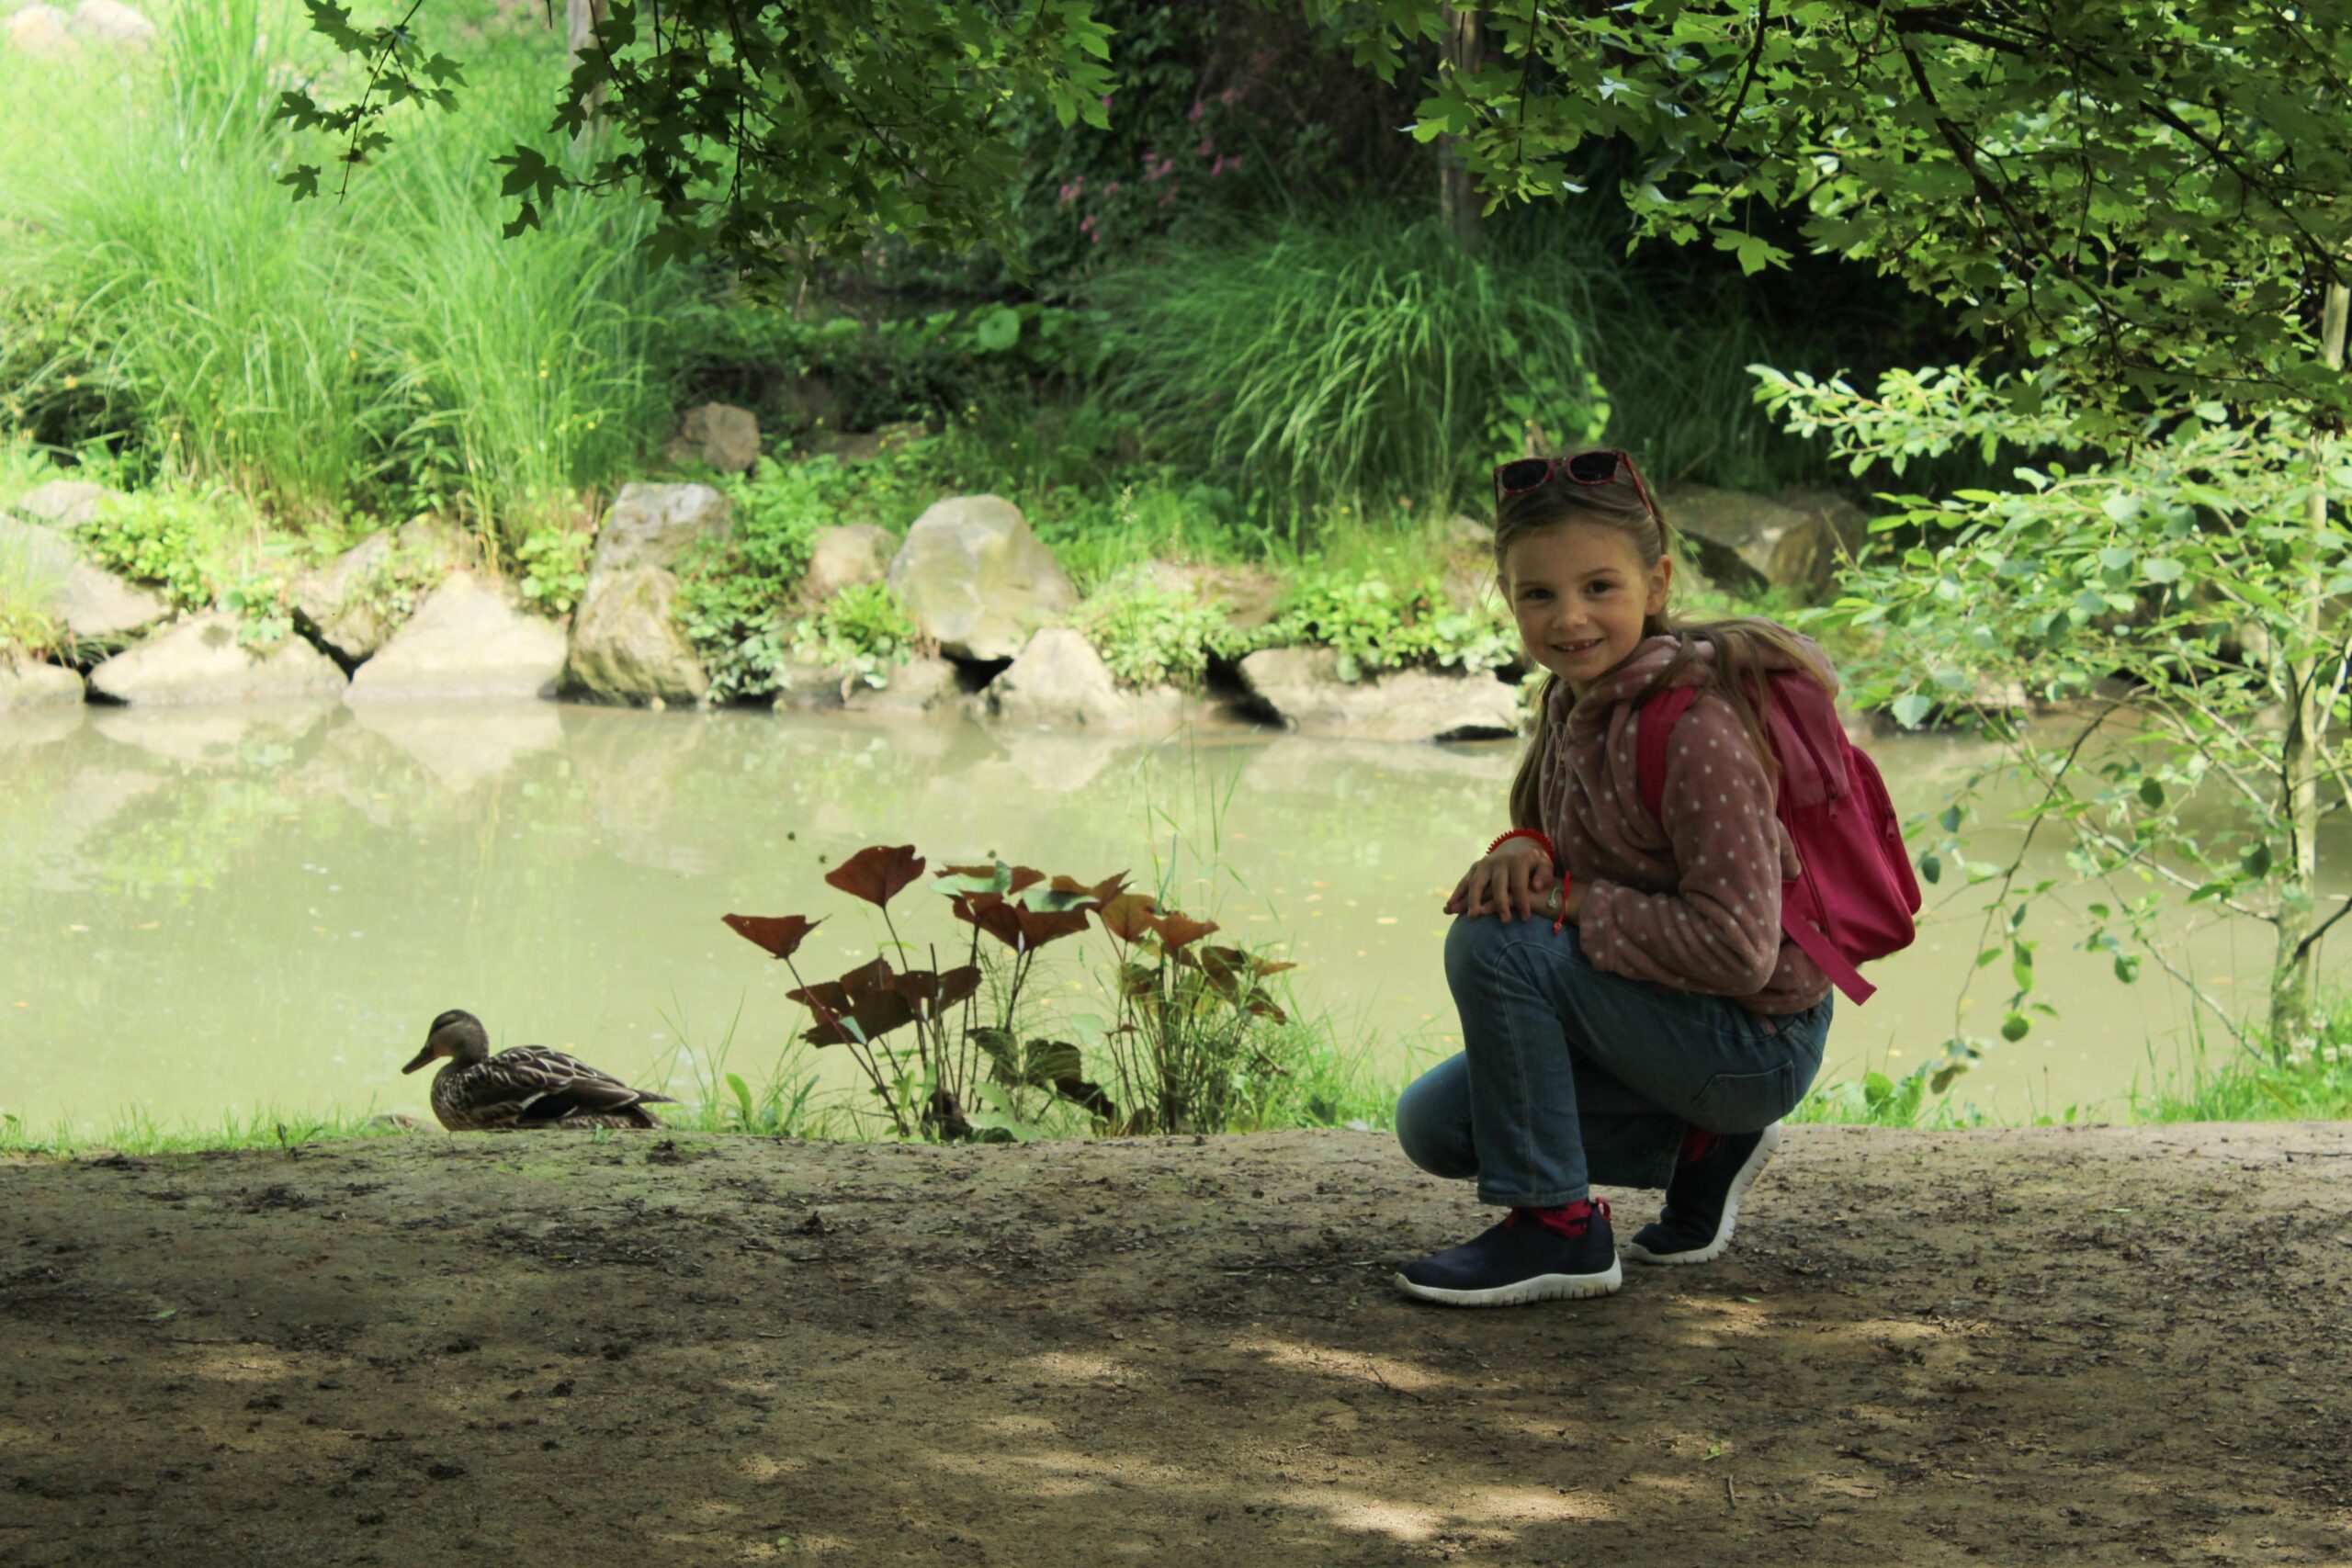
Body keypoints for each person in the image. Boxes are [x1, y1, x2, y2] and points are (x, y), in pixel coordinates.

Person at [1392, 447, 1838, 1307]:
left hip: (1755, 1042)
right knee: (1438, 1125)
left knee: (1496, 944)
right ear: (1508, 598)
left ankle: (1557, 1229)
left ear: (1657, 581)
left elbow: (1739, 950)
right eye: (1538, 594)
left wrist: (1572, 901)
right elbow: (1569, 837)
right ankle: (1702, 1147)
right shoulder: (1572, 700)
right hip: (1667, 1015)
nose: (1569, 618)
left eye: (1599, 586)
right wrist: (1522, 846)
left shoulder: (1700, 730)